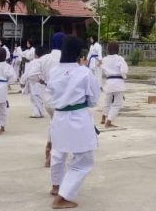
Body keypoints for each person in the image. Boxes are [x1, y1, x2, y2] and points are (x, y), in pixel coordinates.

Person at [48, 35, 100, 209]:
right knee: (83, 160)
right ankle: (62, 197)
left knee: (58, 153)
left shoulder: (54, 71)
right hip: (78, 117)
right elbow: (93, 100)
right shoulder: (84, 72)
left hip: (59, 116)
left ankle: (56, 186)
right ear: (80, 53)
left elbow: (49, 95)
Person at [40, 33, 64, 167]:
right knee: (61, 125)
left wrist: (41, 80)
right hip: (60, 97)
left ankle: (49, 143)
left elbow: (30, 74)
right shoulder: (65, 58)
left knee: (53, 122)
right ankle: (53, 152)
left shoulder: (44, 58)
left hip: (47, 96)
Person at [100, 41, 128, 128]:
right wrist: (123, 76)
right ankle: (108, 121)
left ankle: (103, 117)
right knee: (116, 104)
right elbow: (124, 70)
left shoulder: (104, 59)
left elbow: (100, 67)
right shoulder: (119, 58)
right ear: (117, 49)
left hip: (109, 82)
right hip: (118, 83)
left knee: (107, 101)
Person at [20, 45, 46, 118]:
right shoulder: (45, 61)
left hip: (34, 81)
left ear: (35, 54)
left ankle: (38, 112)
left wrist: (22, 81)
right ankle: (39, 112)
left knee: (34, 98)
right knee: (39, 97)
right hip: (42, 81)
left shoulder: (33, 62)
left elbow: (26, 73)